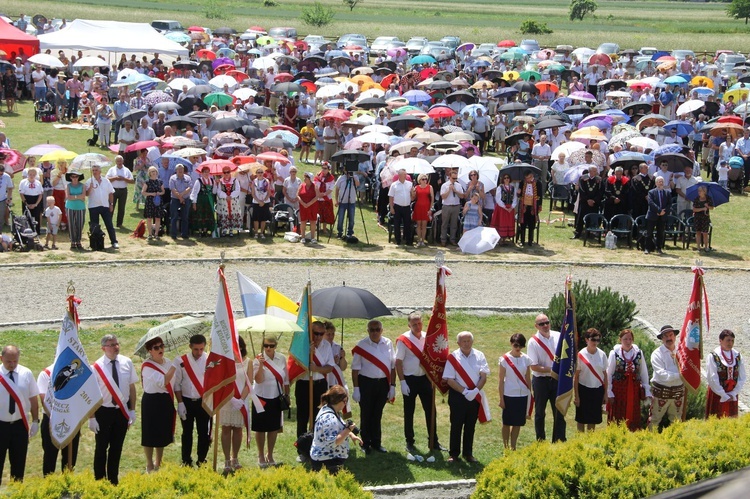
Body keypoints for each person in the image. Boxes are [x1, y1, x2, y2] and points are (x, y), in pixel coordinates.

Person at [90, 335, 137, 485]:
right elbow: (91, 394)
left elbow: (131, 387)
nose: (116, 347)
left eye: (117, 344)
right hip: (103, 411)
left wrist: (132, 410)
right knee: (101, 448)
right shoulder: (96, 367)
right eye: (111, 345)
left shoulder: (127, 362)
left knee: (117, 448)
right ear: (103, 348)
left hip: (121, 411)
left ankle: (113, 480)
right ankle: (99, 480)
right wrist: (92, 417)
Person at [394, 313, 444, 454]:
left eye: (419, 323)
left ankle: (434, 441)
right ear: (409, 325)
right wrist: (402, 382)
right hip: (410, 379)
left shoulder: (428, 337)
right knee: (409, 411)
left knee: (430, 410)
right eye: (414, 324)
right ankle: (409, 441)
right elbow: (398, 361)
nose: (417, 326)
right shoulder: (403, 340)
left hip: (425, 379)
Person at [442, 331, 489, 463]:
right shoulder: (453, 357)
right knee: (456, 425)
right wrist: (464, 391)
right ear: (458, 343)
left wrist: (475, 391)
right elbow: (449, 379)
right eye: (464, 341)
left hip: (474, 395)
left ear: (472, 342)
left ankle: (468, 453)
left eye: (469, 341)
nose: (467, 343)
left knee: (470, 425)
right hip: (458, 396)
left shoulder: (479, 355)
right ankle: (454, 454)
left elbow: (483, 376)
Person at [351, 320, 395, 454]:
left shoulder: (388, 343)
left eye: (377, 329)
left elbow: (393, 366)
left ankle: (377, 442)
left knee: (377, 413)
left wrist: (392, 386)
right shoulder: (362, 345)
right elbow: (355, 369)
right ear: (368, 331)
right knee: (366, 413)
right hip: (366, 383)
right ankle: (365, 443)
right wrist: (356, 388)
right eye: (372, 330)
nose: (375, 332)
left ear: (382, 330)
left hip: (382, 383)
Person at [0, 345, 40, 485]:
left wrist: (35, 421)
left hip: (19, 425)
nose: (12, 365)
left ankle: (17, 493)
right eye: (8, 362)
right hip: (0, 425)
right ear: (1, 358)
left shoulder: (26, 373)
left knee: (18, 465)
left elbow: (33, 399)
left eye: (15, 361)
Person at [295, 321, 335, 462]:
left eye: (321, 334)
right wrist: (308, 353)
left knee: (318, 417)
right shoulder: (302, 345)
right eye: (315, 333)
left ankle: (317, 447)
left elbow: (330, 367)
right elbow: (295, 366)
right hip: (304, 384)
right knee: (302, 417)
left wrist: (317, 369)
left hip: (319, 384)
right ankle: (302, 449)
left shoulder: (326, 346)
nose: (318, 337)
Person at [172, 334, 211, 467]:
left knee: (203, 432)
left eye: (201, 349)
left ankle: (202, 459)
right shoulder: (180, 361)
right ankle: (186, 460)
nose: (199, 352)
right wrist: (180, 403)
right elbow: (176, 384)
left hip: (203, 401)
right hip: (187, 401)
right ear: (190, 347)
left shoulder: (209, 359)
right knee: (187, 432)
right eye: (196, 349)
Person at [250, 335, 288, 468]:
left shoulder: (282, 358)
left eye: (271, 346)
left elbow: (286, 379)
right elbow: (259, 380)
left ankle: (270, 454)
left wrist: (287, 394)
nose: (268, 348)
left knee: (273, 428)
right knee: (260, 428)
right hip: (260, 397)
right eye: (266, 345)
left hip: (276, 396)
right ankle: (260, 454)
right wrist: (260, 364)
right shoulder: (257, 360)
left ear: (275, 346)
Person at [140, 336, 176, 473]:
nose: (160, 349)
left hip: (165, 400)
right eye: (156, 347)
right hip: (151, 401)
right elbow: (165, 380)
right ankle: (149, 464)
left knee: (161, 432)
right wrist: (175, 366)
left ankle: (158, 462)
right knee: (149, 433)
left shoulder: (167, 362)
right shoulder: (147, 366)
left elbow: (174, 383)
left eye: (161, 346)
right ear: (150, 351)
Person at [527, 313, 566, 442]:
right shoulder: (533, 342)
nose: (545, 326)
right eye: (541, 324)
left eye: (547, 322)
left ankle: (559, 439)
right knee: (540, 413)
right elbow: (534, 366)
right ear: (536, 326)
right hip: (541, 381)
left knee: (559, 411)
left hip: (556, 380)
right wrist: (553, 369)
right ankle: (540, 440)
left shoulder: (558, 336)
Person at [37, 361, 81, 475]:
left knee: (70, 458)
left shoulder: (78, 374)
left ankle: (68, 484)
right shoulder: (46, 374)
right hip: (51, 418)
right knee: (49, 456)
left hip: (71, 418)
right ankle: (49, 485)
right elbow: (43, 399)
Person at [310, 385, 362, 474]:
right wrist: (348, 429)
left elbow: (338, 430)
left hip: (326, 458)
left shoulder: (329, 409)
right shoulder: (330, 418)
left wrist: (351, 434)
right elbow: (333, 442)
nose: (345, 404)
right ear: (339, 401)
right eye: (345, 401)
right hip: (327, 461)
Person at [606, 329, 651, 432]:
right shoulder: (614, 354)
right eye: (625, 339)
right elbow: (609, 373)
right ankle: (617, 434)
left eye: (630, 339)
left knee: (633, 413)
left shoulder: (638, 353)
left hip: (634, 390)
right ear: (620, 340)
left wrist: (646, 388)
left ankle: (633, 433)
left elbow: (643, 372)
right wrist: (609, 392)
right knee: (618, 414)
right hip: (619, 390)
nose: (628, 341)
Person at [220, 336, 249, 473]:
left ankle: (235, 458)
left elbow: (249, 383)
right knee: (226, 429)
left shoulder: (248, 362)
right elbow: (221, 382)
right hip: (227, 400)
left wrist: (241, 400)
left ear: (241, 347)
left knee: (238, 430)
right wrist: (231, 399)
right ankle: (226, 460)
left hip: (241, 401)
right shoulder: (224, 362)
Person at [497, 334, 532, 450]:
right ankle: (506, 447)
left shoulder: (526, 359)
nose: (518, 348)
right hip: (509, 394)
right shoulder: (504, 359)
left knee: (518, 423)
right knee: (507, 422)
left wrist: (530, 395)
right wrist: (501, 399)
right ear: (511, 344)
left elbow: (528, 378)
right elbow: (501, 380)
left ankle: (513, 446)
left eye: (521, 345)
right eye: (516, 345)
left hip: (522, 395)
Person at [649, 325, 685, 431]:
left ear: (675, 336)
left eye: (671, 335)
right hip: (661, 391)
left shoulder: (682, 352)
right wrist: (680, 376)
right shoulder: (657, 354)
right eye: (666, 336)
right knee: (654, 419)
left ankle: (675, 442)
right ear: (662, 338)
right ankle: (650, 443)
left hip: (678, 391)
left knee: (677, 420)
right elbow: (662, 374)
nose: (669, 338)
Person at [574, 328, 608, 432]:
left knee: (593, 419)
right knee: (581, 418)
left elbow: (605, 374)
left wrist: (605, 393)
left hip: (597, 389)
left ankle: (590, 440)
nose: (595, 342)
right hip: (583, 389)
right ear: (586, 340)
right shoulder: (581, 355)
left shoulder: (602, 354)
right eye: (593, 339)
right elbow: (576, 377)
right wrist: (577, 396)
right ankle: (580, 440)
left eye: (597, 340)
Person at [706, 330, 746, 418]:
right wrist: (723, 394)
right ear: (720, 340)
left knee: (731, 419)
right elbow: (712, 378)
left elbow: (742, 377)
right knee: (716, 418)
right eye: (728, 340)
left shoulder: (737, 356)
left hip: (732, 393)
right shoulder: (713, 356)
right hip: (717, 393)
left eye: (732, 341)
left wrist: (734, 393)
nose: (730, 343)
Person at [86, 163, 119, 249]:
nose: (94, 172)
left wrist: (111, 204)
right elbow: (86, 194)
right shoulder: (89, 181)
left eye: (96, 170)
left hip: (105, 206)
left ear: (100, 171)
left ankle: (114, 241)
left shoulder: (106, 181)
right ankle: (95, 243)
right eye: (93, 170)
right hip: (93, 206)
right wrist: (90, 188)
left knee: (109, 224)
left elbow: (111, 193)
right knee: (94, 226)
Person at [106, 155, 135, 228]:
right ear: (115, 162)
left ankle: (119, 223)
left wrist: (124, 179)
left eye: (120, 161)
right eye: (118, 161)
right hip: (113, 190)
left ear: (123, 161)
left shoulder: (126, 170)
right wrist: (115, 178)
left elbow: (132, 181)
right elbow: (106, 179)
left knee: (122, 208)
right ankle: (109, 223)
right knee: (111, 206)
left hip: (123, 191)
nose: (119, 162)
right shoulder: (112, 169)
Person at [388, 168, 414, 246]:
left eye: (406, 174)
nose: (406, 175)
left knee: (407, 224)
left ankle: (408, 240)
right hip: (397, 207)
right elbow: (391, 197)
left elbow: (412, 197)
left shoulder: (410, 184)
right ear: (399, 175)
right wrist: (391, 207)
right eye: (404, 174)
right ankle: (398, 240)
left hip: (406, 207)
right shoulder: (394, 185)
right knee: (397, 224)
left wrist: (413, 193)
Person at [645, 176, 670, 254]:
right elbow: (651, 203)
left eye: (662, 181)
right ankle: (647, 248)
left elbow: (669, 204)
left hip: (662, 216)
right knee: (649, 232)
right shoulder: (651, 192)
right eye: (659, 181)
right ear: (656, 183)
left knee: (660, 233)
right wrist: (659, 210)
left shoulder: (667, 192)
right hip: (653, 215)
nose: (661, 183)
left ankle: (659, 248)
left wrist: (663, 211)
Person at [189, 165, 216, 237]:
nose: (206, 174)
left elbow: (214, 191)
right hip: (200, 201)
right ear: (202, 173)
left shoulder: (212, 181)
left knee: (208, 215)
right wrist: (194, 202)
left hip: (209, 201)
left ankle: (205, 230)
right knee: (200, 215)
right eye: (205, 172)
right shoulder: (199, 181)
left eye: (208, 172)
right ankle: (200, 231)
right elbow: (194, 193)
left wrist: (217, 183)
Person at [517, 171, 543, 246]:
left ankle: (530, 241)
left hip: (533, 206)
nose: (527, 179)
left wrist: (539, 206)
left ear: (531, 176)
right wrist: (518, 192)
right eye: (526, 178)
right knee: (523, 223)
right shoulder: (522, 182)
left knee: (532, 224)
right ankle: (522, 240)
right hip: (524, 205)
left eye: (528, 178)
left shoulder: (538, 183)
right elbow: (519, 195)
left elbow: (540, 195)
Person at [440, 169, 465, 246]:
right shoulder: (444, 185)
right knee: (444, 224)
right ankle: (443, 240)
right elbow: (443, 197)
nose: (454, 180)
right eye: (453, 178)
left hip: (456, 206)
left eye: (456, 178)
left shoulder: (458, 185)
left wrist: (456, 191)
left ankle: (452, 239)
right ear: (449, 177)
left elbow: (462, 196)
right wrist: (449, 190)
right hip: (447, 206)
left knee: (454, 224)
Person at [491, 173, 517, 244]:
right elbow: (498, 199)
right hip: (501, 208)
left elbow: (515, 198)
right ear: (503, 179)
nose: (506, 179)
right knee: (501, 222)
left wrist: (512, 207)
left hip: (510, 208)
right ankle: (500, 239)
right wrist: (504, 207)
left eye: (508, 178)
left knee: (508, 222)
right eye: (505, 178)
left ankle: (506, 238)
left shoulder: (513, 188)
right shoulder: (500, 187)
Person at [65, 168, 86, 250]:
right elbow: (68, 197)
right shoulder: (68, 186)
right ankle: (73, 241)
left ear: (78, 177)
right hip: (70, 207)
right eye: (73, 176)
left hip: (80, 207)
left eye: (76, 176)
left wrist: (75, 197)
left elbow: (83, 196)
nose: (74, 178)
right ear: (70, 177)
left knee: (80, 224)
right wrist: (78, 196)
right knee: (71, 224)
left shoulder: (82, 185)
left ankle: (78, 241)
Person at [168, 164, 192, 239]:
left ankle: (184, 234)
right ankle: (174, 234)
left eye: (181, 169)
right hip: (175, 199)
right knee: (174, 217)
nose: (180, 170)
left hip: (186, 199)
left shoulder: (188, 178)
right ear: (176, 170)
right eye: (179, 169)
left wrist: (182, 196)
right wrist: (180, 197)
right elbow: (173, 189)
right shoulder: (172, 178)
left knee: (185, 217)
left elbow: (189, 187)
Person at [334, 171, 359, 240]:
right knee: (340, 218)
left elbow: (357, 184)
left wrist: (352, 176)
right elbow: (337, 189)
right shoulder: (341, 178)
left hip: (351, 202)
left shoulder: (355, 177)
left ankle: (350, 232)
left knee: (351, 218)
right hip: (342, 201)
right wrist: (336, 200)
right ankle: (339, 233)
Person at [411, 173, 434, 247]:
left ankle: (423, 241)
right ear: (419, 180)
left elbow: (432, 198)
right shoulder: (416, 187)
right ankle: (419, 240)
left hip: (426, 207)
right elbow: (413, 198)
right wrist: (412, 193)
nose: (425, 180)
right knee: (418, 224)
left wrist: (430, 208)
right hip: (418, 207)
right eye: (423, 179)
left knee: (424, 225)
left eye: (426, 179)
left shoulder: (430, 187)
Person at [142, 166, 165, 240]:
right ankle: (150, 234)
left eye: (154, 171)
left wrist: (159, 193)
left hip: (158, 201)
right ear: (150, 173)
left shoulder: (160, 182)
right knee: (149, 218)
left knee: (158, 218)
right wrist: (151, 194)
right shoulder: (147, 182)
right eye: (152, 171)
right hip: (149, 201)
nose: (154, 173)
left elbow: (163, 191)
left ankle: (156, 234)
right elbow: (143, 192)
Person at [18, 167, 44, 232]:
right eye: (30, 174)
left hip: (36, 200)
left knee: (36, 216)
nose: (32, 176)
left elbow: (40, 194)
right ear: (28, 174)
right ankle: (26, 231)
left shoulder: (38, 183)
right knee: (26, 217)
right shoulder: (23, 182)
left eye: (33, 174)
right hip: (27, 199)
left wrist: (36, 204)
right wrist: (26, 203)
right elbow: (21, 193)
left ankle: (36, 231)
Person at [251, 166, 272, 239]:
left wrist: (264, 201)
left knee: (263, 218)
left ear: (263, 173)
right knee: (256, 218)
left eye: (261, 172)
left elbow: (269, 192)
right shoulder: (254, 182)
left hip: (265, 202)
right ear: (256, 173)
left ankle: (262, 233)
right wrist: (258, 201)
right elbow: (253, 193)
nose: (260, 174)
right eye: (258, 172)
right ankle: (256, 233)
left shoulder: (267, 181)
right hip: (256, 202)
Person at [298, 172, 319, 244]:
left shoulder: (315, 186)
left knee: (313, 221)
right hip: (303, 206)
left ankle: (312, 238)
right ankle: (303, 237)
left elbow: (317, 196)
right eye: (304, 178)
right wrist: (303, 203)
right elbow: (297, 195)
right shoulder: (301, 185)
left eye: (306, 178)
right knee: (303, 221)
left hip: (312, 206)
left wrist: (309, 203)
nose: (304, 179)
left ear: (310, 179)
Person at [692, 185, 713, 252]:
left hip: (705, 218)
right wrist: (702, 209)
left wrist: (707, 206)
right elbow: (694, 209)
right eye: (698, 191)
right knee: (698, 232)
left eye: (700, 191)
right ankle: (698, 247)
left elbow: (712, 207)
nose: (699, 192)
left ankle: (706, 247)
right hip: (697, 218)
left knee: (705, 233)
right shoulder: (696, 199)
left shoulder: (708, 198)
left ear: (704, 192)